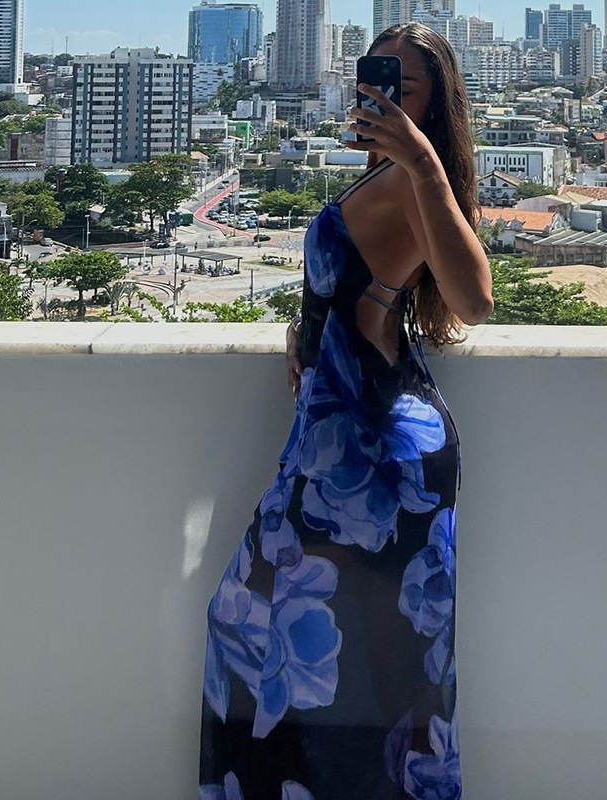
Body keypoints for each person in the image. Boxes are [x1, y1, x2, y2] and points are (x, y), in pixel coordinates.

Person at [199, 23, 493, 800]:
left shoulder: (413, 178)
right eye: (373, 78)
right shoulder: (384, 179)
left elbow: (473, 299)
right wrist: (307, 330)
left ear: (432, 105)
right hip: (342, 438)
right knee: (308, 643)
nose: (380, 94)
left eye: (402, 84)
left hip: (373, 451)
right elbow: (358, 287)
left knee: (361, 659)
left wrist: (420, 160)